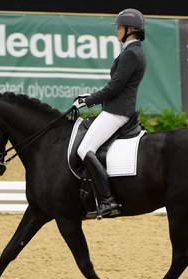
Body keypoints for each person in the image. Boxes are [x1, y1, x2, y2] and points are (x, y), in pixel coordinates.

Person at [73, 8, 146, 219]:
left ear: (130, 30)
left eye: (120, 28)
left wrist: (88, 101)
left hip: (117, 111)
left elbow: (114, 88)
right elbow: (116, 87)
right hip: (116, 107)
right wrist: (91, 96)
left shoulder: (131, 53)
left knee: (85, 149)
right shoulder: (133, 51)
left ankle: (107, 200)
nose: (117, 32)